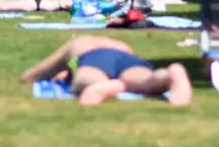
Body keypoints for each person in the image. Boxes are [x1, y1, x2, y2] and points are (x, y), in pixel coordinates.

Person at [21, 36, 192, 106]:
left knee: (86, 82)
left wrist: (27, 77)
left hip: (94, 57)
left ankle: (107, 86)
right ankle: (170, 75)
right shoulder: (119, 44)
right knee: (146, 80)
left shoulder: (79, 43)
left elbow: (39, 72)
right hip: (127, 59)